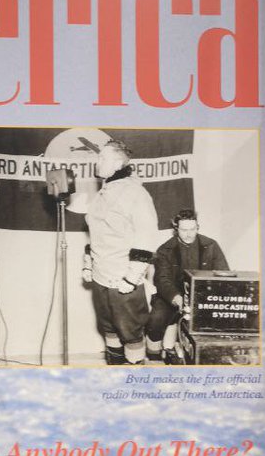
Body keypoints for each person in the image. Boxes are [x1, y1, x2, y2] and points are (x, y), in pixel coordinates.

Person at [83, 138, 159, 365]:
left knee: (130, 333)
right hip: (100, 276)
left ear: (117, 163)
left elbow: (146, 237)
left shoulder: (135, 193)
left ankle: (133, 384)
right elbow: (97, 232)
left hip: (122, 278)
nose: (97, 161)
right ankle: (114, 374)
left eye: (102, 157)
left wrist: (132, 277)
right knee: (109, 328)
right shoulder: (103, 192)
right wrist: (88, 263)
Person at [145, 209, 229, 362]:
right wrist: (177, 298)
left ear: (198, 227)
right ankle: (154, 354)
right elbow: (163, 280)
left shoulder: (211, 245)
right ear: (176, 229)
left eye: (192, 229)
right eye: (184, 230)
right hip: (171, 295)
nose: (189, 234)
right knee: (156, 319)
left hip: (204, 297)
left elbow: (223, 274)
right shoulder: (165, 250)